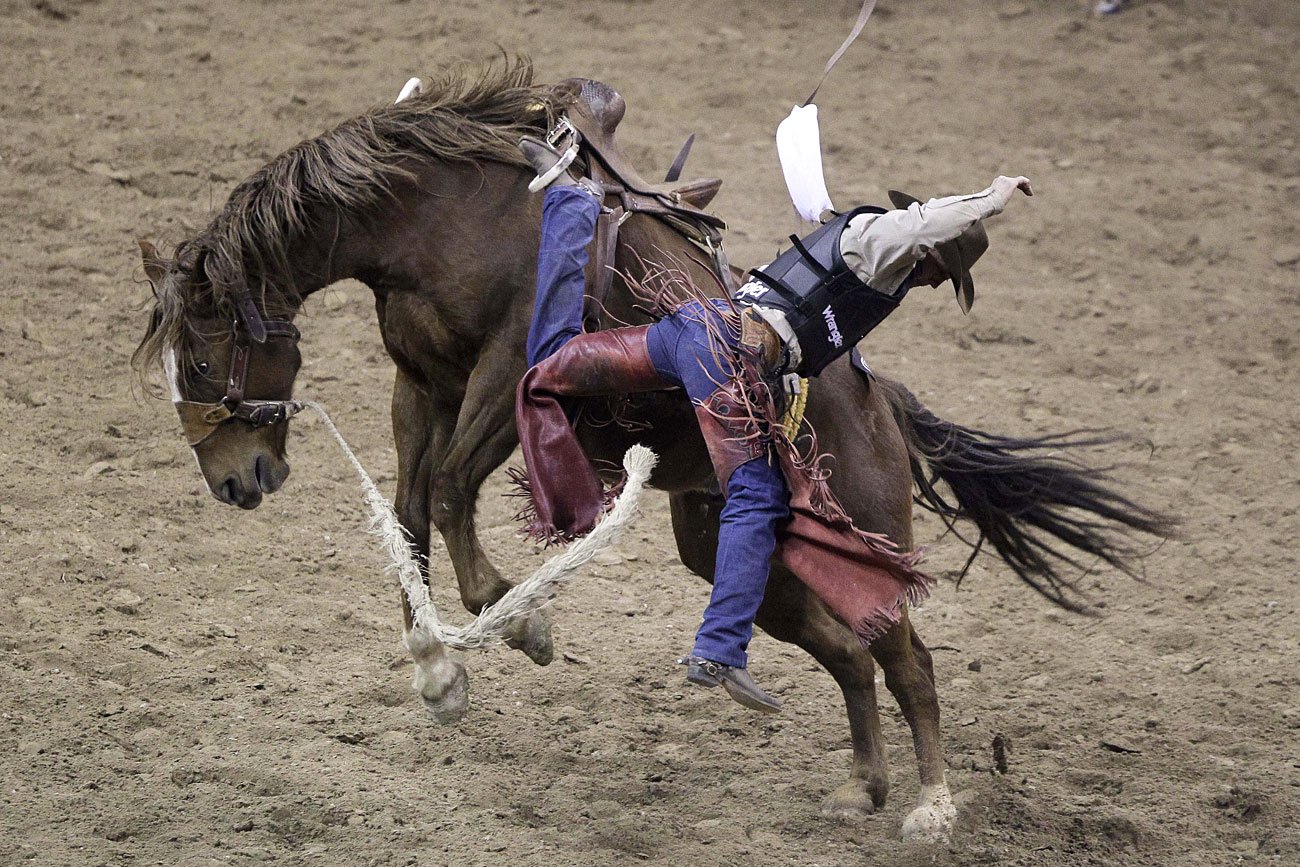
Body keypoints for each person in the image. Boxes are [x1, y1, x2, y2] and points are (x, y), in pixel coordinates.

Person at [514, 131, 1032, 713]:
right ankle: (720, 650)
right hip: (726, 357)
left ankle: (570, 200)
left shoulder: (851, 240)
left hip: (690, 329)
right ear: (933, 252)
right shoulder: (884, 241)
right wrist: (993, 196)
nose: (936, 282)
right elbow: (922, 223)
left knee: (551, 362)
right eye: (945, 271)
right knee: (754, 496)